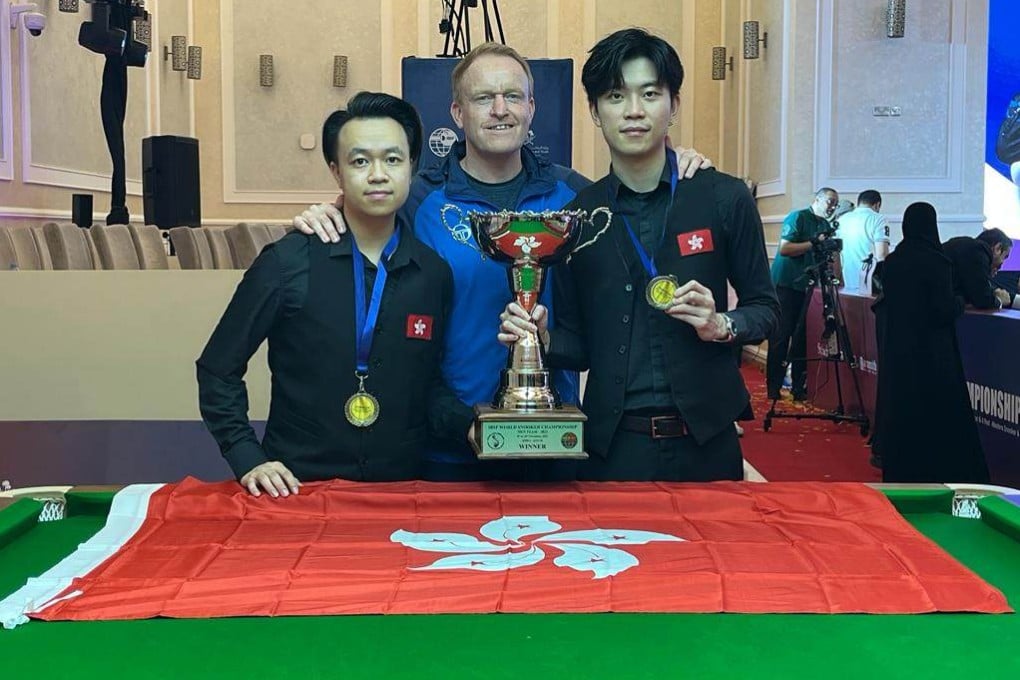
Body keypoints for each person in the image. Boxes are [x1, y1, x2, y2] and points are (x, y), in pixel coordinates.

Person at [292, 43, 711, 482]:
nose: (499, 110)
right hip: (445, 445)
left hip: (554, 442)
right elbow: (360, 217)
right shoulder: (417, 200)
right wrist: (325, 213)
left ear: (531, 107)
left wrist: (681, 167)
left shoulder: (577, 199)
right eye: (482, 98)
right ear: (457, 112)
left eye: (513, 96)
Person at [499, 28, 778, 482]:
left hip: (708, 445)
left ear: (674, 104)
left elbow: (766, 310)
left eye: (649, 93)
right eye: (615, 96)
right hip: (613, 450)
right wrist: (543, 336)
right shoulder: (577, 219)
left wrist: (723, 325)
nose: (633, 111)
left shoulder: (723, 198)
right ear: (594, 110)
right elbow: (580, 347)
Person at [197, 92, 466, 497]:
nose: (378, 174)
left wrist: (483, 428)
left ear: (412, 166)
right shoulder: (288, 263)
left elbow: (428, 385)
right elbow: (218, 369)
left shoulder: (432, 275)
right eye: (360, 161)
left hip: (401, 491)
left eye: (392, 159)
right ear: (336, 172)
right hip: (298, 488)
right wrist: (247, 456)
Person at [871, 202, 989, 483]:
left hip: (900, 352)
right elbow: (942, 310)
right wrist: (961, 301)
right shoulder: (936, 261)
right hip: (933, 354)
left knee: (904, 413)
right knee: (937, 416)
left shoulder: (893, 261)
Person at [765, 188, 839, 400]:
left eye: (836, 203)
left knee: (802, 339)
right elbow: (785, 249)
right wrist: (813, 243)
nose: (833, 206)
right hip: (785, 285)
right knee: (782, 336)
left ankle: (799, 387)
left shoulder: (826, 225)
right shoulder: (798, 217)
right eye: (830, 201)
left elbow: (830, 255)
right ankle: (774, 387)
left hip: (808, 288)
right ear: (817, 199)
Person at [942, 228, 1014, 310]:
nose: (1002, 264)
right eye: (1005, 257)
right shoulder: (978, 251)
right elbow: (982, 298)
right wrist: (999, 301)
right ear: (998, 248)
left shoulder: (967, 248)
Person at [837, 190, 889, 291]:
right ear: (877, 205)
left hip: (846, 279)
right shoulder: (878, 219)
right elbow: (882, 254)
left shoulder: (842, 220)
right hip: (869, 281)